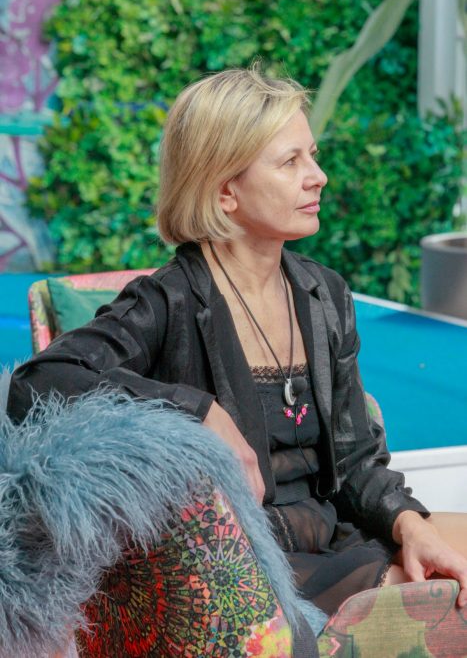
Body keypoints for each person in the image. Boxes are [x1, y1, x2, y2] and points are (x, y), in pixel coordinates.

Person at [7, 67, 467, 620]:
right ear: (226, 190)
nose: (318, 177)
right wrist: (197, 411)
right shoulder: (168, 300)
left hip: (336, 536)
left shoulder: (325, 294)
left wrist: (410, 525)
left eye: (313, 156)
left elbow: (356, 462)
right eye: (290, 162)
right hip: (241, 565)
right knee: (445, 599)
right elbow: (38, 382)